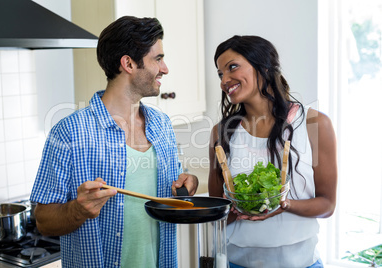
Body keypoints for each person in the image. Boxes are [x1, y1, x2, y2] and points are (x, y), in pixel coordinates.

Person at [30, 16, 199, 268]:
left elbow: (171, 192)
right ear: (128, 63)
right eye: (158, 58)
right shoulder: (70, 132)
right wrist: (78, 209)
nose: (165, 68)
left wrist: (186, 183)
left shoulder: (162, 125)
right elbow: (43, 221)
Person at [208, 35, 337, 268]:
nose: (224, 80)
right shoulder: (222, 132)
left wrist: (283, 204)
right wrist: (243, 207)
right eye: (220, 74)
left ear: (264, 67)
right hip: (237, 263)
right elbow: (216, 212)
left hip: (303, 263)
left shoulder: (314, 124)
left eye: (232, 67)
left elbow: (327, 204)